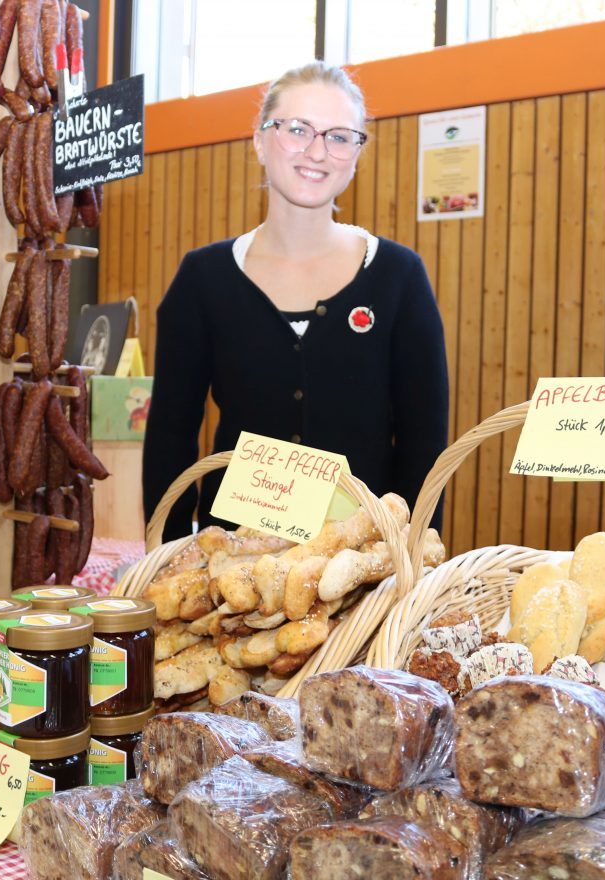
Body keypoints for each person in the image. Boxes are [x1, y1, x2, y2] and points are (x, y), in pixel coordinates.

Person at [143, 61, 450, 540]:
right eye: (298, 129)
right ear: (260, 140)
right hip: (232, 568)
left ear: (356, 153)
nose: (317, 151)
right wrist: (171, 557)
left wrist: (411, 558)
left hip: (363, 566)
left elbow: (424, 445)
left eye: (339, 136)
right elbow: (170, 437)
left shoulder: (399, 278)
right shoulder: (203, 280)